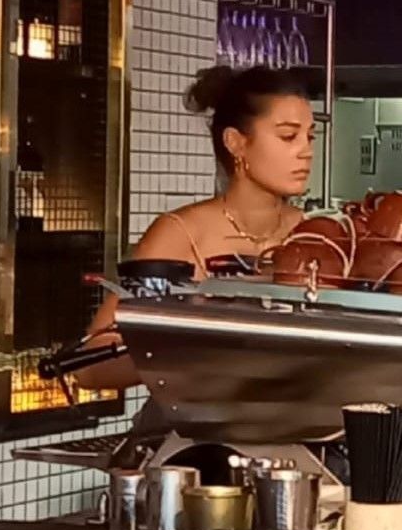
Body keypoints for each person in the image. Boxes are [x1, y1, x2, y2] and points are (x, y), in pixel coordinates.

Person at [72, 65, 315, 389]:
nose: (306, 151)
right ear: (235, 143)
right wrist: (197, 351)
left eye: (310, 136)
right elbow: (93, 365)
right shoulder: (181, 234)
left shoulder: (314, 234)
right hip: (197, 430)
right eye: (288, 136)